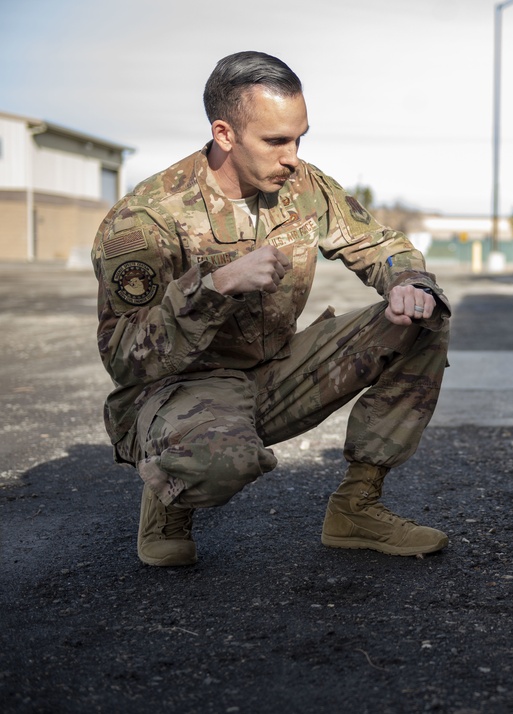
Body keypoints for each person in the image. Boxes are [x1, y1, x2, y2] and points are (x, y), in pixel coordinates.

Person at [92, 51, 450, 567]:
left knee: (425, 317)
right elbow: (124, 358)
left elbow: (379, 243)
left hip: (277, 371)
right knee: (222, 464)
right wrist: (214, 286)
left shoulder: (302, 186)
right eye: (277, 141)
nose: (293, 157)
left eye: (300, 137)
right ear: (224, 134)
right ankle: (170, 490)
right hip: (182, 390)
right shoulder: (147, 219)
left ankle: (357, 507)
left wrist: (405, 282)